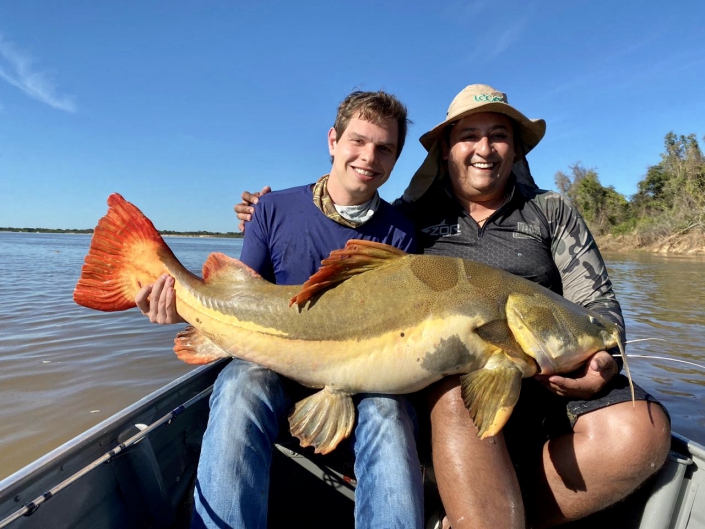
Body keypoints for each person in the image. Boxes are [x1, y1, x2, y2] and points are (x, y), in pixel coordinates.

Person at [235, 84, 672, 528]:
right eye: (468, 135)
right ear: (446, 148)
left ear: (516, 147)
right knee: (454, 389)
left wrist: (602, 362)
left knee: (643, 434)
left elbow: (599, 306)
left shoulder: (551, 210)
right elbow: (354, 211)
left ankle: (488, 516)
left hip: (551, 365)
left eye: (498, 135)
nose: (484, 149)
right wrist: (269, 210)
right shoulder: (413, 215)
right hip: (451, 376)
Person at [137, 90, 425, 529]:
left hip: (360, 374)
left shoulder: (403, 234)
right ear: (333, 141)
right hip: (273, 364)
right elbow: (235, 295)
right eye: (358, 141)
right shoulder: (272, 208)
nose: (369, 157)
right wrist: (182, 310)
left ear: (396, 157)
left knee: (390, 412)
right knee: (238, 385)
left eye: (385, 148)